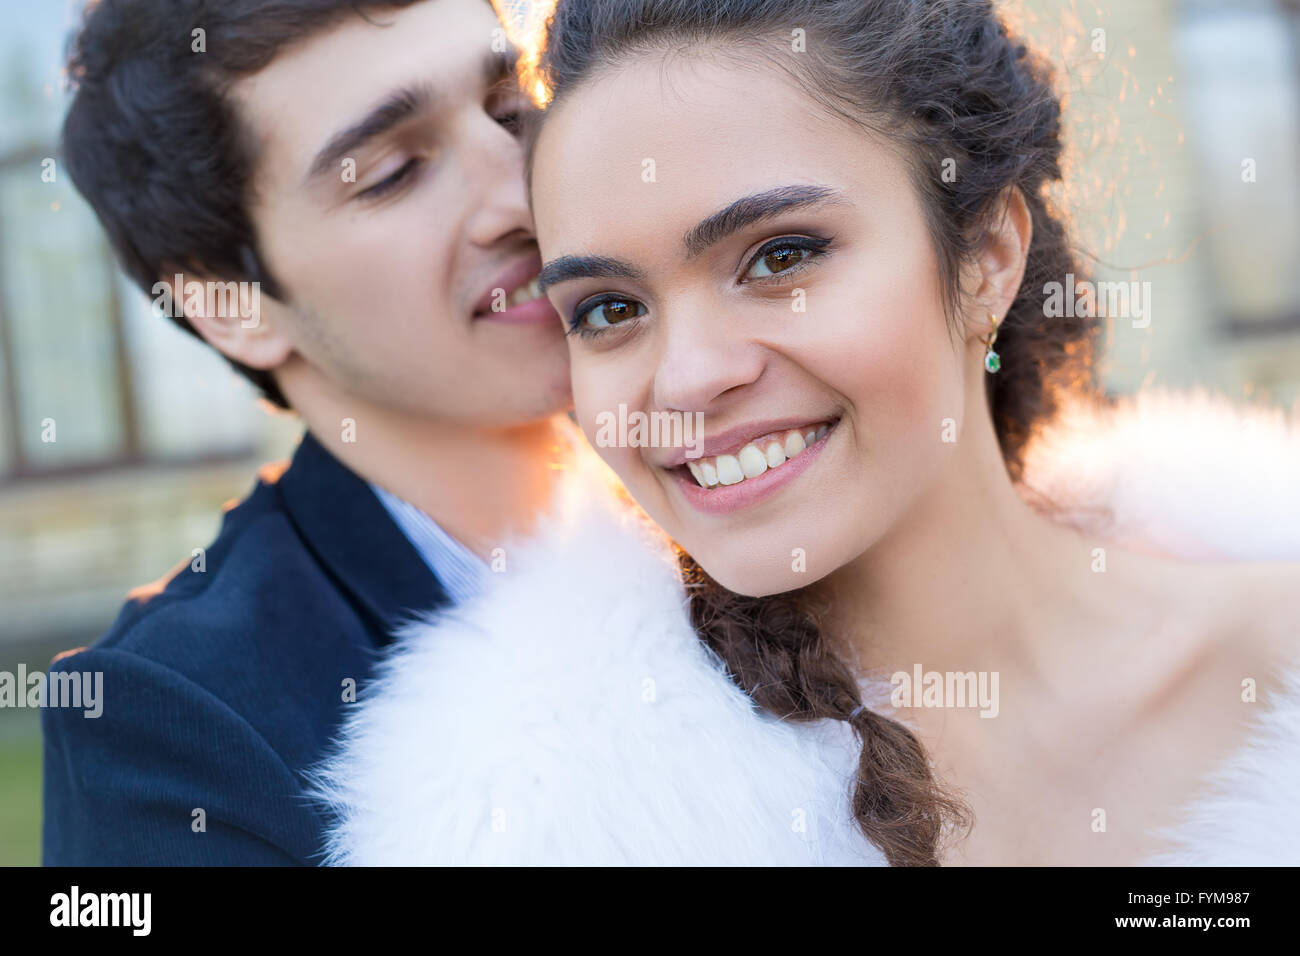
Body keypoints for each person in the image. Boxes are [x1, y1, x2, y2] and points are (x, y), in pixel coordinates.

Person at [518, 0, 1300, 865]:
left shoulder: (1280, 658)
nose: (688, 378)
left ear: (987, 257)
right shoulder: (569, 819)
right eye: (610, 309)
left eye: (781, 257)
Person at [42, 0, 572, 865]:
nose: (519, 191)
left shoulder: (742, 490)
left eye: (511, 109)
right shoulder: (168, 720)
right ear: (231, 306)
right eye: (397, 170)